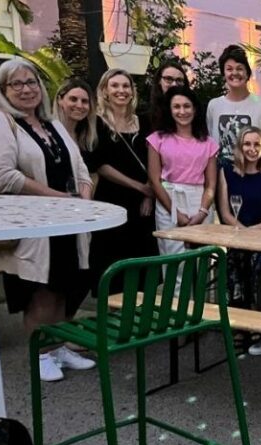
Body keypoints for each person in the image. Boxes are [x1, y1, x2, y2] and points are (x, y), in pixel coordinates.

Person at [0, 58, 95, 382]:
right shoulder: (2, 122)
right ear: (4, 90)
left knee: (64, 288)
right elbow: (1, 175)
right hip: (34, 227)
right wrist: (58, 199)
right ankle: (41, 355)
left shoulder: (53, 125)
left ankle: (59, 346)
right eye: (17, 84)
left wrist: (84, 201)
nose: (26, 89)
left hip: (67, 224)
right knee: (39, 292)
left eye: (31, 82)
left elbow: (80, 170)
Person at [89, 68, 158, 294]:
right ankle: (114, 321)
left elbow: (153, 160)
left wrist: (150, 194)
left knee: (142, 266)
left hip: (142, 207)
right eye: (115, 86)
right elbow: (100, 164)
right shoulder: (97, 123)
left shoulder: (144, 123)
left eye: (125, 86)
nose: (121, 90)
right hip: (112, 201)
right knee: (112, 266)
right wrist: (141, 188)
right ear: (105, 91)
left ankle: (139, 322)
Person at [217, 126, 261, 312]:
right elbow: (225, 213)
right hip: (237, 237)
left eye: (257, 144)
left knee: (260, 264)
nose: (252, 149)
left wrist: (252, 232)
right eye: (247, 144)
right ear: (239, 146)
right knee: (232, 259)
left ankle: (258, 316)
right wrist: (243, 233)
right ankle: (237, 318)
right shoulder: (227, 172)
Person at [147, 86, 218, 260]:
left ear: (194, 108)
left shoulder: (208, 143)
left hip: (200, 201)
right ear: (169, 110)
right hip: (169, 200)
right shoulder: (157, 139)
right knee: (174, 263)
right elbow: (154, 180)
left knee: (203, 261)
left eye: (186, 106)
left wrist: (202, 212)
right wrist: (176, 213)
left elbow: (210, 184)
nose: (182, 111)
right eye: (176, 107)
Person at [206, 44, 261, 163]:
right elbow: (211, 143)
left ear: (247, 73)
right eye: (229, 69)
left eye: (239, 68)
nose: (234, 73)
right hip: (222, 175)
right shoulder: (214, 106)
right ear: (223, 74)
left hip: (254, 175)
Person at [53, 78, 98, 162]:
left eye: (84, 101)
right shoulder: (48, 133)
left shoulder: (88, 138)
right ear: (60, 100)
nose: (79, 105)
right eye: (73, 99)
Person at [149, 61, 190, 130]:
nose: (174, 84)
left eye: (179, 80)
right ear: (159, 81)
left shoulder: (194, 115)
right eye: (168, 79)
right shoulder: (145, 118)